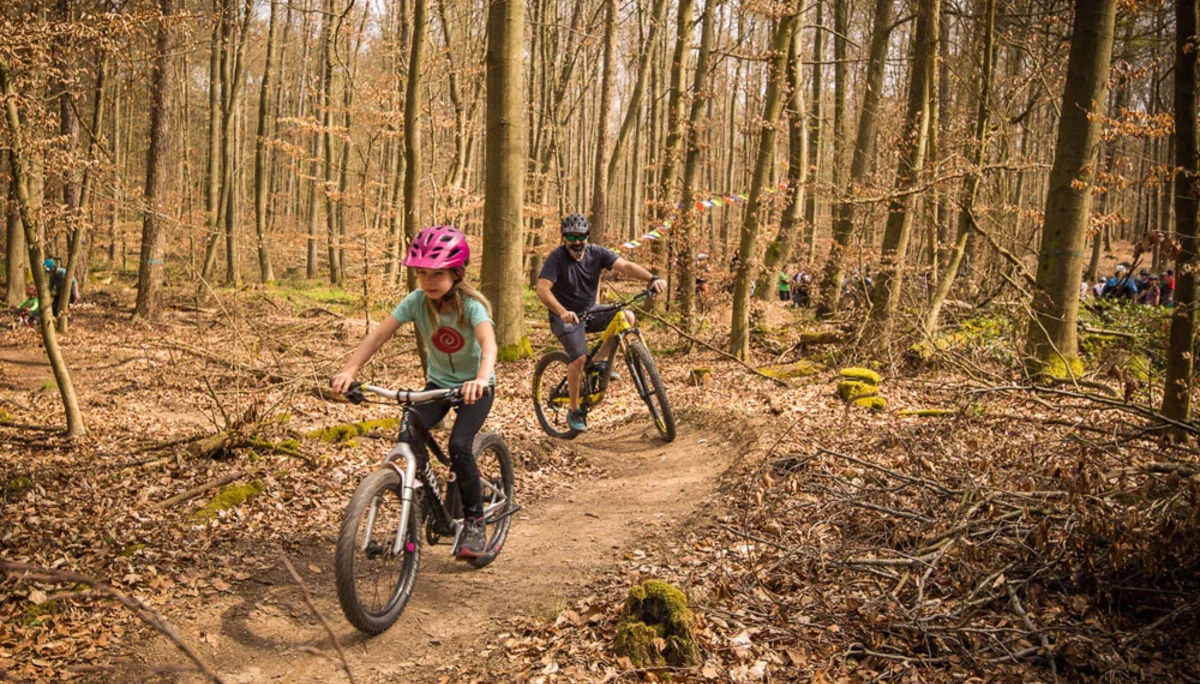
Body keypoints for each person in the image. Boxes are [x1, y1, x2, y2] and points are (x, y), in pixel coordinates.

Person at [330, 225, 496, 559]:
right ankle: (419, 498)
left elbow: (488, 344)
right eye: (421, 274)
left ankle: (475, 521)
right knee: (408, 434)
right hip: (437, 386)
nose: (428, 282)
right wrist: (350, 369)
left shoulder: (472, 305)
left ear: (456, 272)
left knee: (460, 445)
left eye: (436, 274)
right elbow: (379, 336)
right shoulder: (417, 302)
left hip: (475, 388)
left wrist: (480, 379)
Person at [536, 213, 665, 433]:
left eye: (581, 236)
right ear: (564, 238)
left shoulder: (597, 253)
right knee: (577, 359)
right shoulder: (556, 258)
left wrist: (652, 278)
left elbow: (625, 266)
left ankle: (600, 361)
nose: (576, 242)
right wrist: (562, 311)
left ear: (588, 235)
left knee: (627, 317)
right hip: (565, 317)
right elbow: (542, 289)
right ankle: (575, 410)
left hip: (590, 311)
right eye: (571, 237)